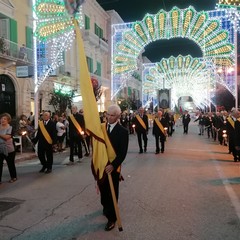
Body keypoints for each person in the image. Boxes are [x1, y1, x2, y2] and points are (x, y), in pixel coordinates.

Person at [97, 104, 129, 231]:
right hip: (102, 166)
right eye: (108, 115)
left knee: (112, 193)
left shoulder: (123, 132)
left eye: (112, 115)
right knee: (103, 190)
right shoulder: (101, 128)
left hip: (113, 168)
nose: (109, 118)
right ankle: (105, 207)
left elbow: (122, 153)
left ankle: (112, 218)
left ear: (118, 116)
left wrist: (113, 165)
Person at [0, 113, 17, 184]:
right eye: (1, 118)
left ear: (8, 120)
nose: (2, 120)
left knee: (10, 164)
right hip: (0, 149)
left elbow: (7, 137)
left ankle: (13, 177)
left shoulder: (10, 128)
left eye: (5, 119)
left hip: (9, 149)